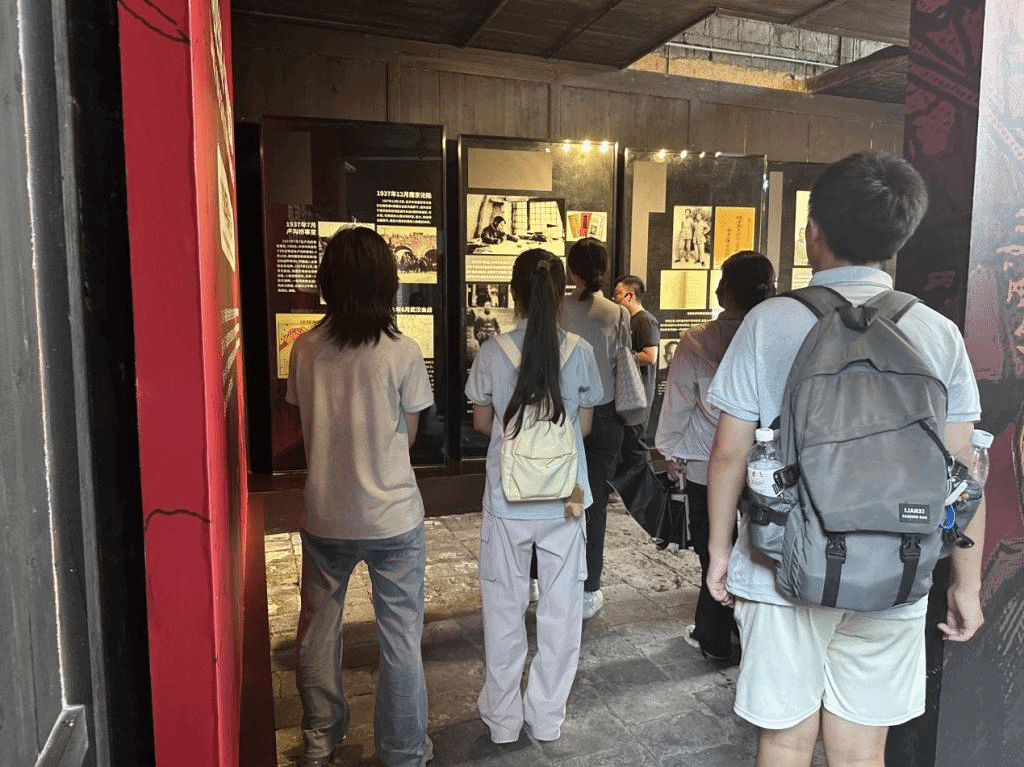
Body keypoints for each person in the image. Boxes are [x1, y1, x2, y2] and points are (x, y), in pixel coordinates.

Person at [705, 152, 985, 767]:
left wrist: (720, 553)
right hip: (898, 566)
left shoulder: (770, 321)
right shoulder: (937, 331)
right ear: (900, 238)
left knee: (784, 741)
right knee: (861, 752)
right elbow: (962, 472)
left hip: (781, 566)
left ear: (814, 231)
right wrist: (966, 584)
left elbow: (728, 453)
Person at [286, 227, 434, 767]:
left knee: (317, 631)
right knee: (400, 638)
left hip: (326, 513)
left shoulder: (305, 348)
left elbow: (304, 422)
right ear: (386, 282)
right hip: (392, 516)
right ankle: (403, 750)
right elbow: (409, 435)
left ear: (328, 282)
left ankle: (319, 738)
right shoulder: (403, 351)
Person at [465, 248, 601, 744]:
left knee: (503, 607)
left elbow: (482, 422)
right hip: (567, 497)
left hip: (508, 498)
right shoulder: (581, 352)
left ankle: (502, 720)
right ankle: (546, 717)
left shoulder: (491, 351)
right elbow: (584, 429)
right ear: (562, 293)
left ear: (514, 293)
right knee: (561, 612)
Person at [655, 251, 775, 661]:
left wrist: (671, 452)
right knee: (763, 549)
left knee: (714, 550)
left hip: (707, 464)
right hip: (767, 466)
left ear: (724, 290)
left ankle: (715, 636)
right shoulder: (775, 336)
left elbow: (678, 405)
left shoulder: (695, 341)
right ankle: (753, 633)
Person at [559, 237, 632, 619]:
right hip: (604, 416)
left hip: (565, 415)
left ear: (572, 271)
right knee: (596, 502)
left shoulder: (558, 308)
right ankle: (589, 589)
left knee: (561, 497)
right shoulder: (618, 313)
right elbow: (622, 364)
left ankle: (548, 577)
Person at [612, 275, 660, 471]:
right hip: (627, 393)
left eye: (617, 294)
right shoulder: (626, 320)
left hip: (639, 394)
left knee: (636, 443)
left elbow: (650, 356)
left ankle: (646, 483)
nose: (614, 299)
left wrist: (622, 358)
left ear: (630, 296)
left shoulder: (645, 321)